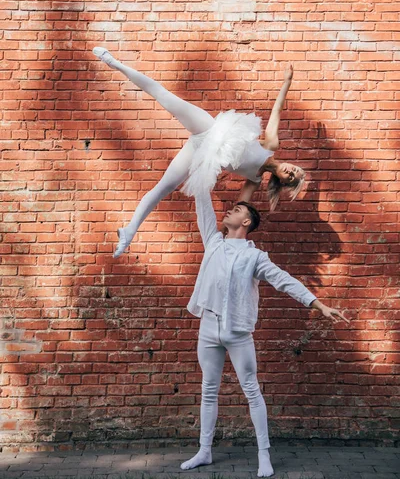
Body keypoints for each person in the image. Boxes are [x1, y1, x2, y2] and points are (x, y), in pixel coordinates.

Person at [180, 189, 350, 477]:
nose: (229, 211)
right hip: (208, 327)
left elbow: (284, 280)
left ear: (246, 222)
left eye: (236, 210)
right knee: (209, 390)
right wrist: (202, 162)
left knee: (252, 391)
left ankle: (263, 455)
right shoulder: (213, 242)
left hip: (238, 332)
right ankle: (204, 451)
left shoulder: (255, 257)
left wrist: (317, 304)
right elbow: (202, 202)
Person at [92, 47, 305, 258]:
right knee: (165, 97)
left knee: (164, 187)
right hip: (208, 130)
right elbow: (277, 111)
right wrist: (287, 82)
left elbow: (239, 210)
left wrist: (223, 241)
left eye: (291, 176)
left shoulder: (254, 179)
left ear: (282, 181)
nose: (291, 171)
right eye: (295, 170)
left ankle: (128, 232)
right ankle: (114, 62)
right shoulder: (270, 145)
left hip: (199, 153)